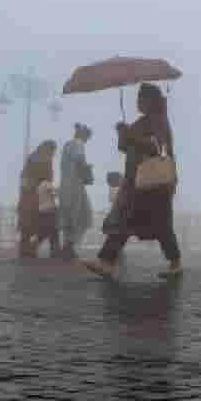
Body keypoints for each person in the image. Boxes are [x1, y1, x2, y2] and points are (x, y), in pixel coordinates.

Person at [83, 83, 183, 278]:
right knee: (126, 221)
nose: (137, 102)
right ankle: (107, 262)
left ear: (150, 101)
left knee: (157, 224)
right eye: (137, 98)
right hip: (138, 182)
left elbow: (156, 148)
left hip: (153, 183)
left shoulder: (158, 121)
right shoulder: (143, 122)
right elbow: (126, 148)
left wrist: (130, 134)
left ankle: (175, 263)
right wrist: (122, 133)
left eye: (141, 98)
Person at [57, 124, 94, 259]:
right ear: (84, 135)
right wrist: (87, 172)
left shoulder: (67, 145)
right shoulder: (78, 144)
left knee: (69, 215)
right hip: (75, 185)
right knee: (81, 215)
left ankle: (67, 246)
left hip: (65, 184)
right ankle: (69, 246)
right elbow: (79, 160)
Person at [16, 140, 57, 258]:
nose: (53, 154)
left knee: (28, 226)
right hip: (38, 198)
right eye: (53, 151)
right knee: (49, 224)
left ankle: (26, 249)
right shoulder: (44, 159)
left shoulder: (34, 157)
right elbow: (47, 179)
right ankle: (32, 248)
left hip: (30, 198)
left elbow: (24, 178)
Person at [36, 176, 60, 258]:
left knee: (49, 231)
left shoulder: (39, 186)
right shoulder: (46, 184)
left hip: (42, 211)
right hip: (49, 211)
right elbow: (56, 191)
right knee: (53, 232)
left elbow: (52, 193)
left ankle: (54, 252)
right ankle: (55, 252)